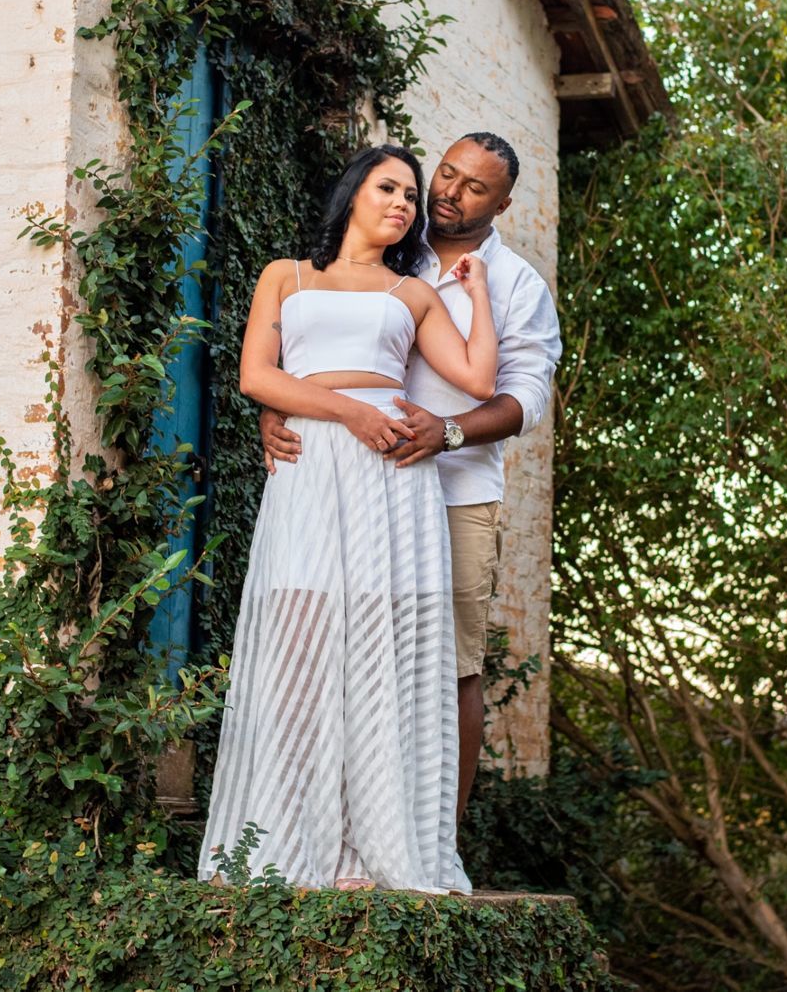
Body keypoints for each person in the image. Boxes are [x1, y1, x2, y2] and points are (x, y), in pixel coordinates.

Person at [197, 143, 496, 894]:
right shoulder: (286, 276)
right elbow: (256, 376)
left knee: (376, 643)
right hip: (311, 463)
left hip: (390, 475)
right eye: (388, 187)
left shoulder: (412, 294)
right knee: (299, 633)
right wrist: (345, 411)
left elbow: (478, 377)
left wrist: (480, 291)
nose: (402, 203)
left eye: (410, 195)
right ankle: (284, 836)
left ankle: (372, 844)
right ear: (354, 192)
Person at [261, 132, 561, 826]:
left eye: (474, 187)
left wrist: (447, 432)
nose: (448, 192)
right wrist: (280, 407)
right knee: (346, 648)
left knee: (450, 664)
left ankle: (437, 837)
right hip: (352, 482)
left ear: (502, 204)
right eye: (447, 174)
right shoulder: (395, 245)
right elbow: (319, 338)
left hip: (455, 490)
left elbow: (523, 398)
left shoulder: (516, 284)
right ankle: (337, 826)